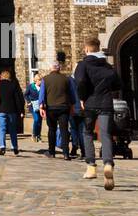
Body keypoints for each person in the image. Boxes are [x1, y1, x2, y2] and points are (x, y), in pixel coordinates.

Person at [74, 36, 121, 191]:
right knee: (105, 134)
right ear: (98, 48)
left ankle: (91, 167)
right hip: (106, 103)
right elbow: (118, 84)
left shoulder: (83, 65)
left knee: (87, 133)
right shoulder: (107, 66)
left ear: (86, 49)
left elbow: (80, 82)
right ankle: (108, 163)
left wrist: (82, 97)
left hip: (89, 103)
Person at [39, 58, 78, 160]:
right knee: (64, 130)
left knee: (52, 129)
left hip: (51, 108)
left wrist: (41, 107)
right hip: (64, 107)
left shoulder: (45, 79)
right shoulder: (66, 79)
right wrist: (73, 105)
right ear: (59, 68)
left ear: (50, 68)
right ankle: (66, 153)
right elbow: (72, 94)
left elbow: (42, 94)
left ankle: (51, 152)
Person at [0, 67, 24, 155]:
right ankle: (14, 147)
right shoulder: (13, 85)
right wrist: (21, 111)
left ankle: (2, 147)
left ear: (1, 76)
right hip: (12, 111)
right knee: (12, 130)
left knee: (2, 129)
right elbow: (17, 100)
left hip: (0, 110)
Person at [24, 75, 42, 142]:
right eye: (40, 80)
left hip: (41, 106)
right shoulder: (31, 86)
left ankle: (38, 136)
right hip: (33, 106)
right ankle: (34, 134)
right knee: (36, 119)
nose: (41, 81)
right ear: (36, 80)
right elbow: (25, 94)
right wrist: (28, 102)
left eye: (41, 80)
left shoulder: (42, 87)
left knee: (40, 121)